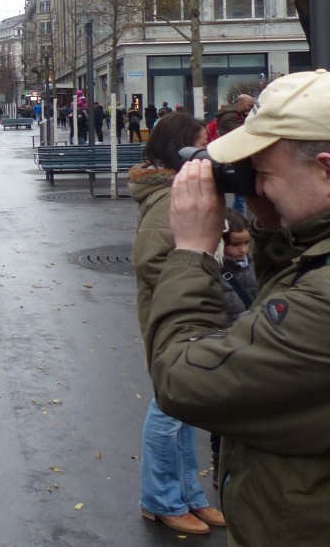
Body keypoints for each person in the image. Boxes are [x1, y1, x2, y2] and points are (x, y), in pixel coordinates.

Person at [149, 69, 330, 545]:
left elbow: (181, 378)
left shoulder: (322, 306)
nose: (258, 188)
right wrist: (271, 217)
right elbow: (289, 288)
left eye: (264, 173)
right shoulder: (316, 270)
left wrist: (191, 251)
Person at [128, 111, 225, 535]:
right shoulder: (169, 196)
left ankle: (189, 494)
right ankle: (161, 498)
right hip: (173, 317)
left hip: (188, 310)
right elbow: (149, 259)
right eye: (202, 141)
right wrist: (197, 276)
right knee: (168, 408)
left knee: (184, 407)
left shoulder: (181, 188)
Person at [208, 209, 257, 481]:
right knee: (223, 420)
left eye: (246, 243)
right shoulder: (216, 271)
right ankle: (220, 468)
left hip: (251, 346)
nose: (242, 250)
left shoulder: (252, 265)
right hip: (229, 346)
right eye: (235, 244)